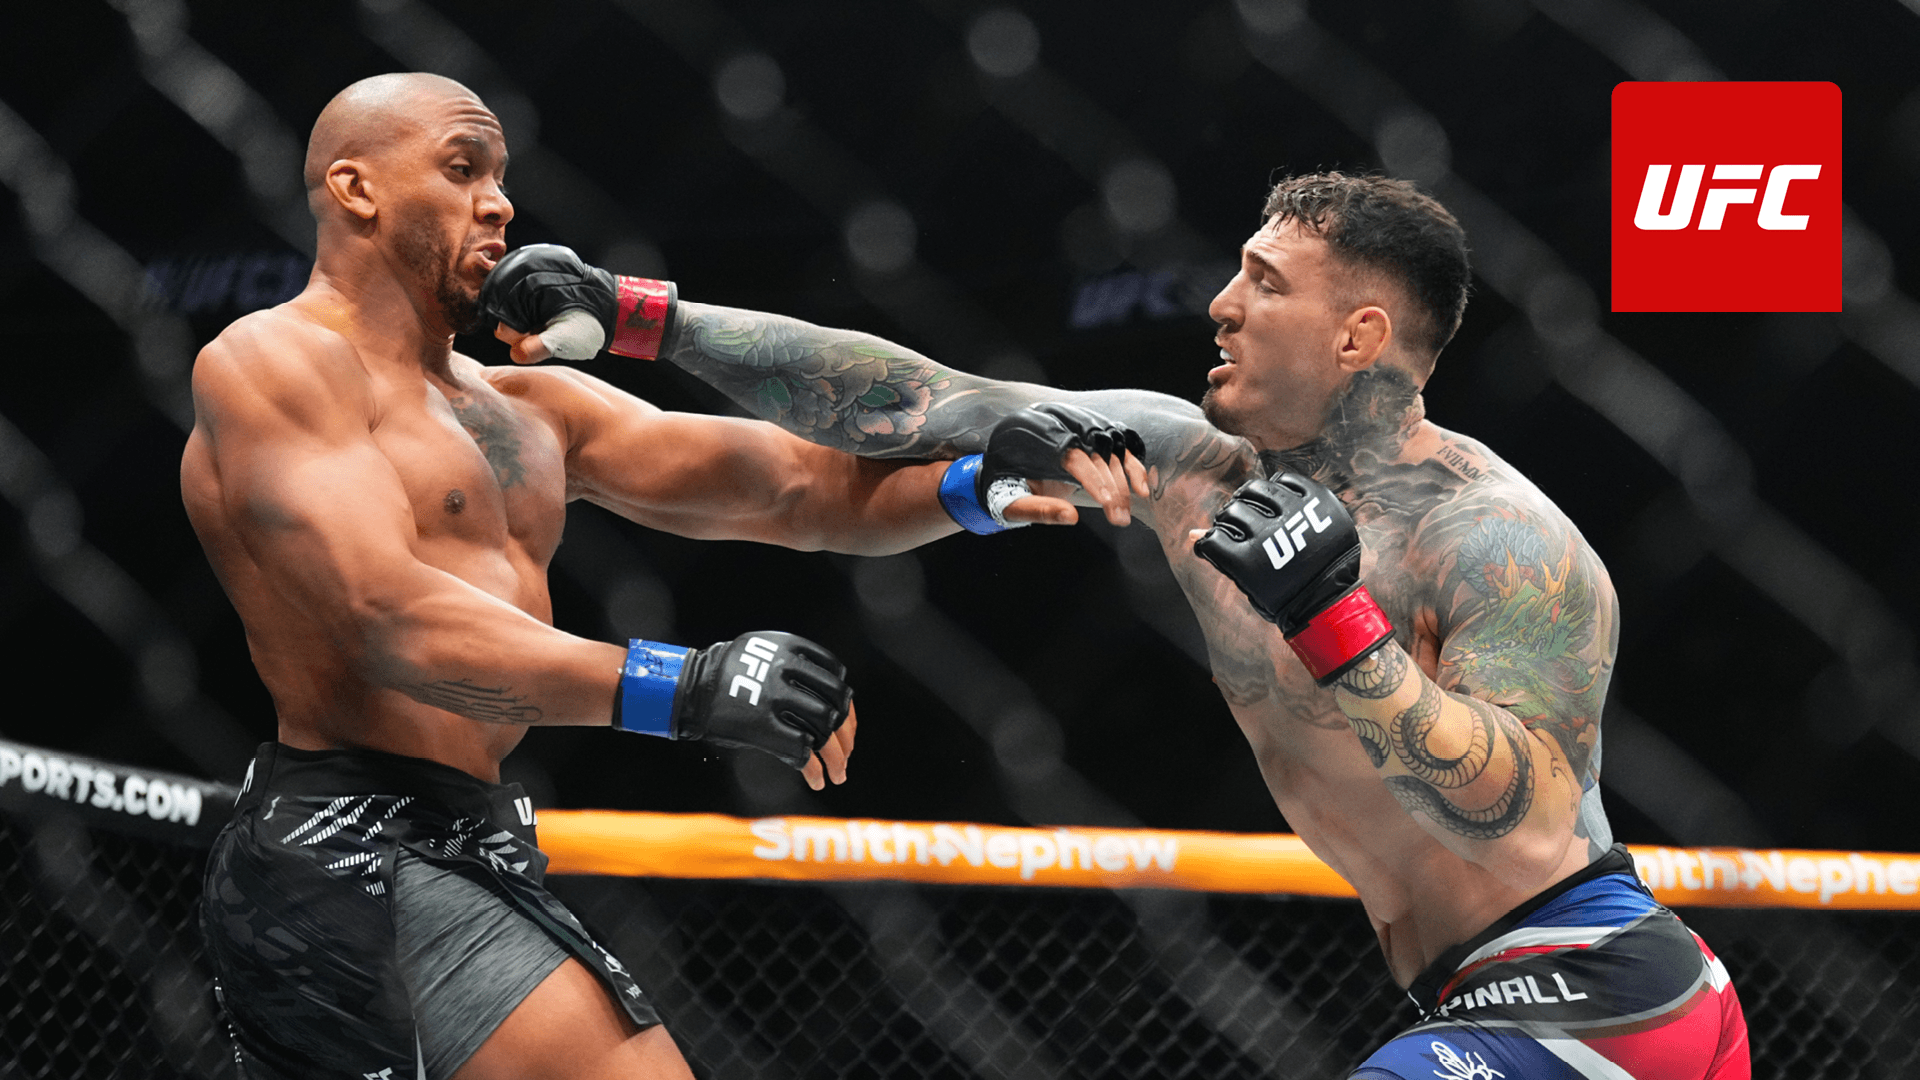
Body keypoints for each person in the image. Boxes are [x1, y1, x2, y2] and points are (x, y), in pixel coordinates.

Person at [619, 172, 1751, 1077]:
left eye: (1265, 282)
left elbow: (1525, 825)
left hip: (1600, 988)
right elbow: (918, 398)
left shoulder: (1495, 538)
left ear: (1356, 337)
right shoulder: (1188, 463)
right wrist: (651, 320)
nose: (1221, 303)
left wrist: (1334, 622)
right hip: (1466, 991)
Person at [183, 72, 1141, 1080]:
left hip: (470, 832)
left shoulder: (527, 409)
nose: (498, 204)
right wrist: (682, 686)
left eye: (500, 178)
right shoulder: (273, 363)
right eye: (462, 170)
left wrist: (974, 481)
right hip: (348, 842)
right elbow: (387, 618)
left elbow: (795, 487)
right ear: (357, 189)